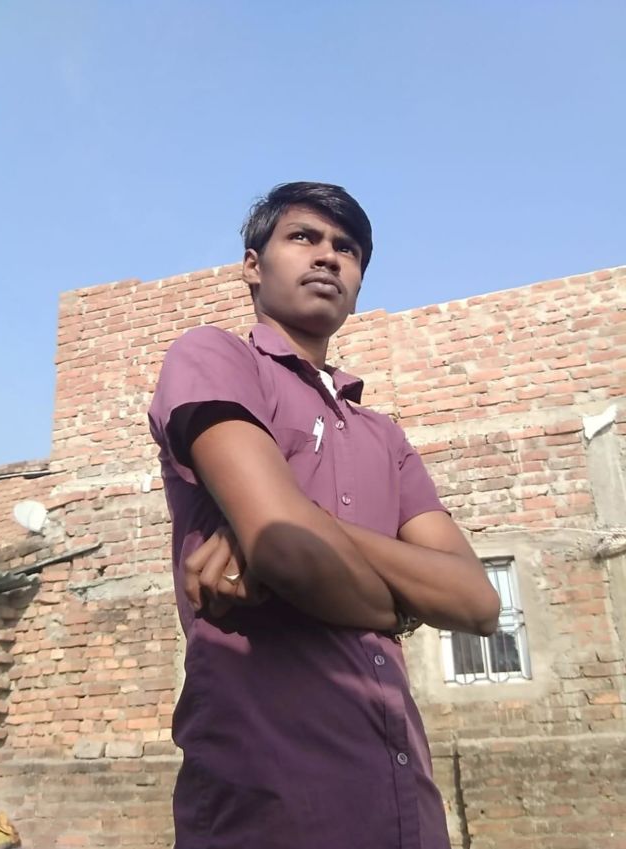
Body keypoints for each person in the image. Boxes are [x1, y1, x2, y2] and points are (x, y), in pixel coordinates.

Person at [148, 181, 500, 849]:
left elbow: (478, 603)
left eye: (348, 248)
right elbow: (287, 550)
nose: (328, 256)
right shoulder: (214, 358)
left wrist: (295, 522)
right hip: (272, 806)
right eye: (303, 237)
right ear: (253, 266)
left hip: (406, 808)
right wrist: (404, 606)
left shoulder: (384, 437)